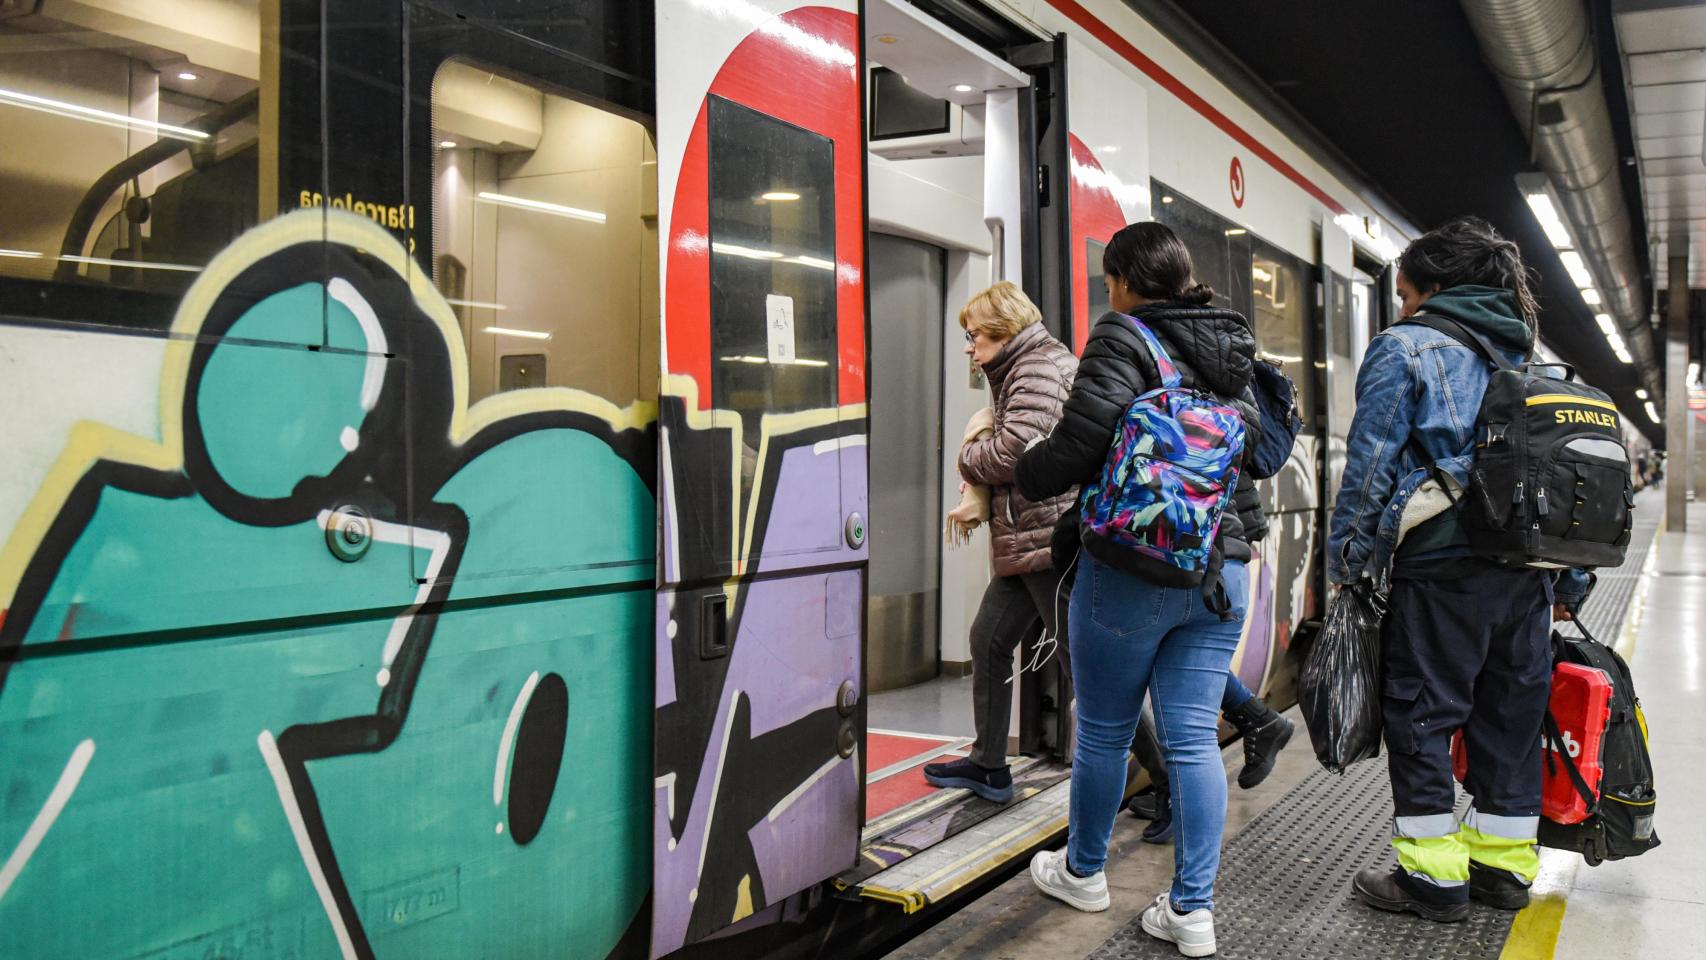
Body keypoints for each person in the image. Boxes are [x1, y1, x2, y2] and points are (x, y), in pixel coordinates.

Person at [1326, 217, 1589, 923]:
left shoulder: (1407, 348)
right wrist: (1567, 586)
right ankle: (1502, 873)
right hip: (1529, 574)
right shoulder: (1529, 361)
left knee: (1422, 713)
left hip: (1442, 570)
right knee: (1509, 717)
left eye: (1406, 293)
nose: (1402, 307)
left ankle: (1432, 880)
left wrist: (1347, 567)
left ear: (1437, 289)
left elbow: (1372, 467)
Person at [1017, 222, 1258, 958]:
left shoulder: (1122, 335)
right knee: (1191, 739)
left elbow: (1077, 443)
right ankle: (1192, 913)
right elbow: (1267, 451)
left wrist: (1025, 472)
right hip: (1223, 568)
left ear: (1123, 280)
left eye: (1109, 280)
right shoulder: (1231, 344)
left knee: (1106, 729)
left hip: (1134, 565)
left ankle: (1084, 871)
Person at [922, 281, 1077, 803]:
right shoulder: (1020, 367)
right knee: (988, 641)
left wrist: (967, 453)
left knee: (1090, 672)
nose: (969, 346)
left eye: (974, 335)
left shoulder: (1035, 368)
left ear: (1002, 329)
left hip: (1047, 541)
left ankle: (1165, 780)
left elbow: (1013, 453)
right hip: (1026, 541)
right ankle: (988, 764)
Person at [1127, 468, 1295, 844]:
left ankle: (1172, 791)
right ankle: (1257, 720)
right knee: (1174, 666)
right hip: (1210, 522)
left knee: (1179, 718)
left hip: (1197, 525)